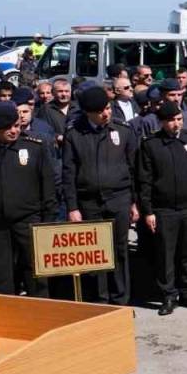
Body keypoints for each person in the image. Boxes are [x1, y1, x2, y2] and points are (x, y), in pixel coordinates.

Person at [61, 84, 138, 304]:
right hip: (89, 202)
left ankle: (121, 300)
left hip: (119, 199)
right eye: (100, 111)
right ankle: (100, 301)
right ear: (88, 113)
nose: (106, 113)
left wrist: (134, 203)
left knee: (119, 250)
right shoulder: (75, 135)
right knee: (95, 255)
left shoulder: (122, 131)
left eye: (108, 108)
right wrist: (73, 207)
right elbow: (69, 173)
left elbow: (134, 169)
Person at [135, 102, 187, 315]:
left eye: (178, 119)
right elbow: (145, 181)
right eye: (171, 120)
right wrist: (148, 211)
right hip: (164, 209)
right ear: (161, 122)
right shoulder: (151, 145)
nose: (176, 124)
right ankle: (168, 295)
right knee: (165, 254)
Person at [0, 103, 56, 296]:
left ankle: (39, 313)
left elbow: (48, 186)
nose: (13, 131)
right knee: (0, 274)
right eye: (7, 128)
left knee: (35, 272)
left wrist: (48, 221)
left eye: (16, 126)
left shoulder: (34, 147)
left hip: (30, 220)